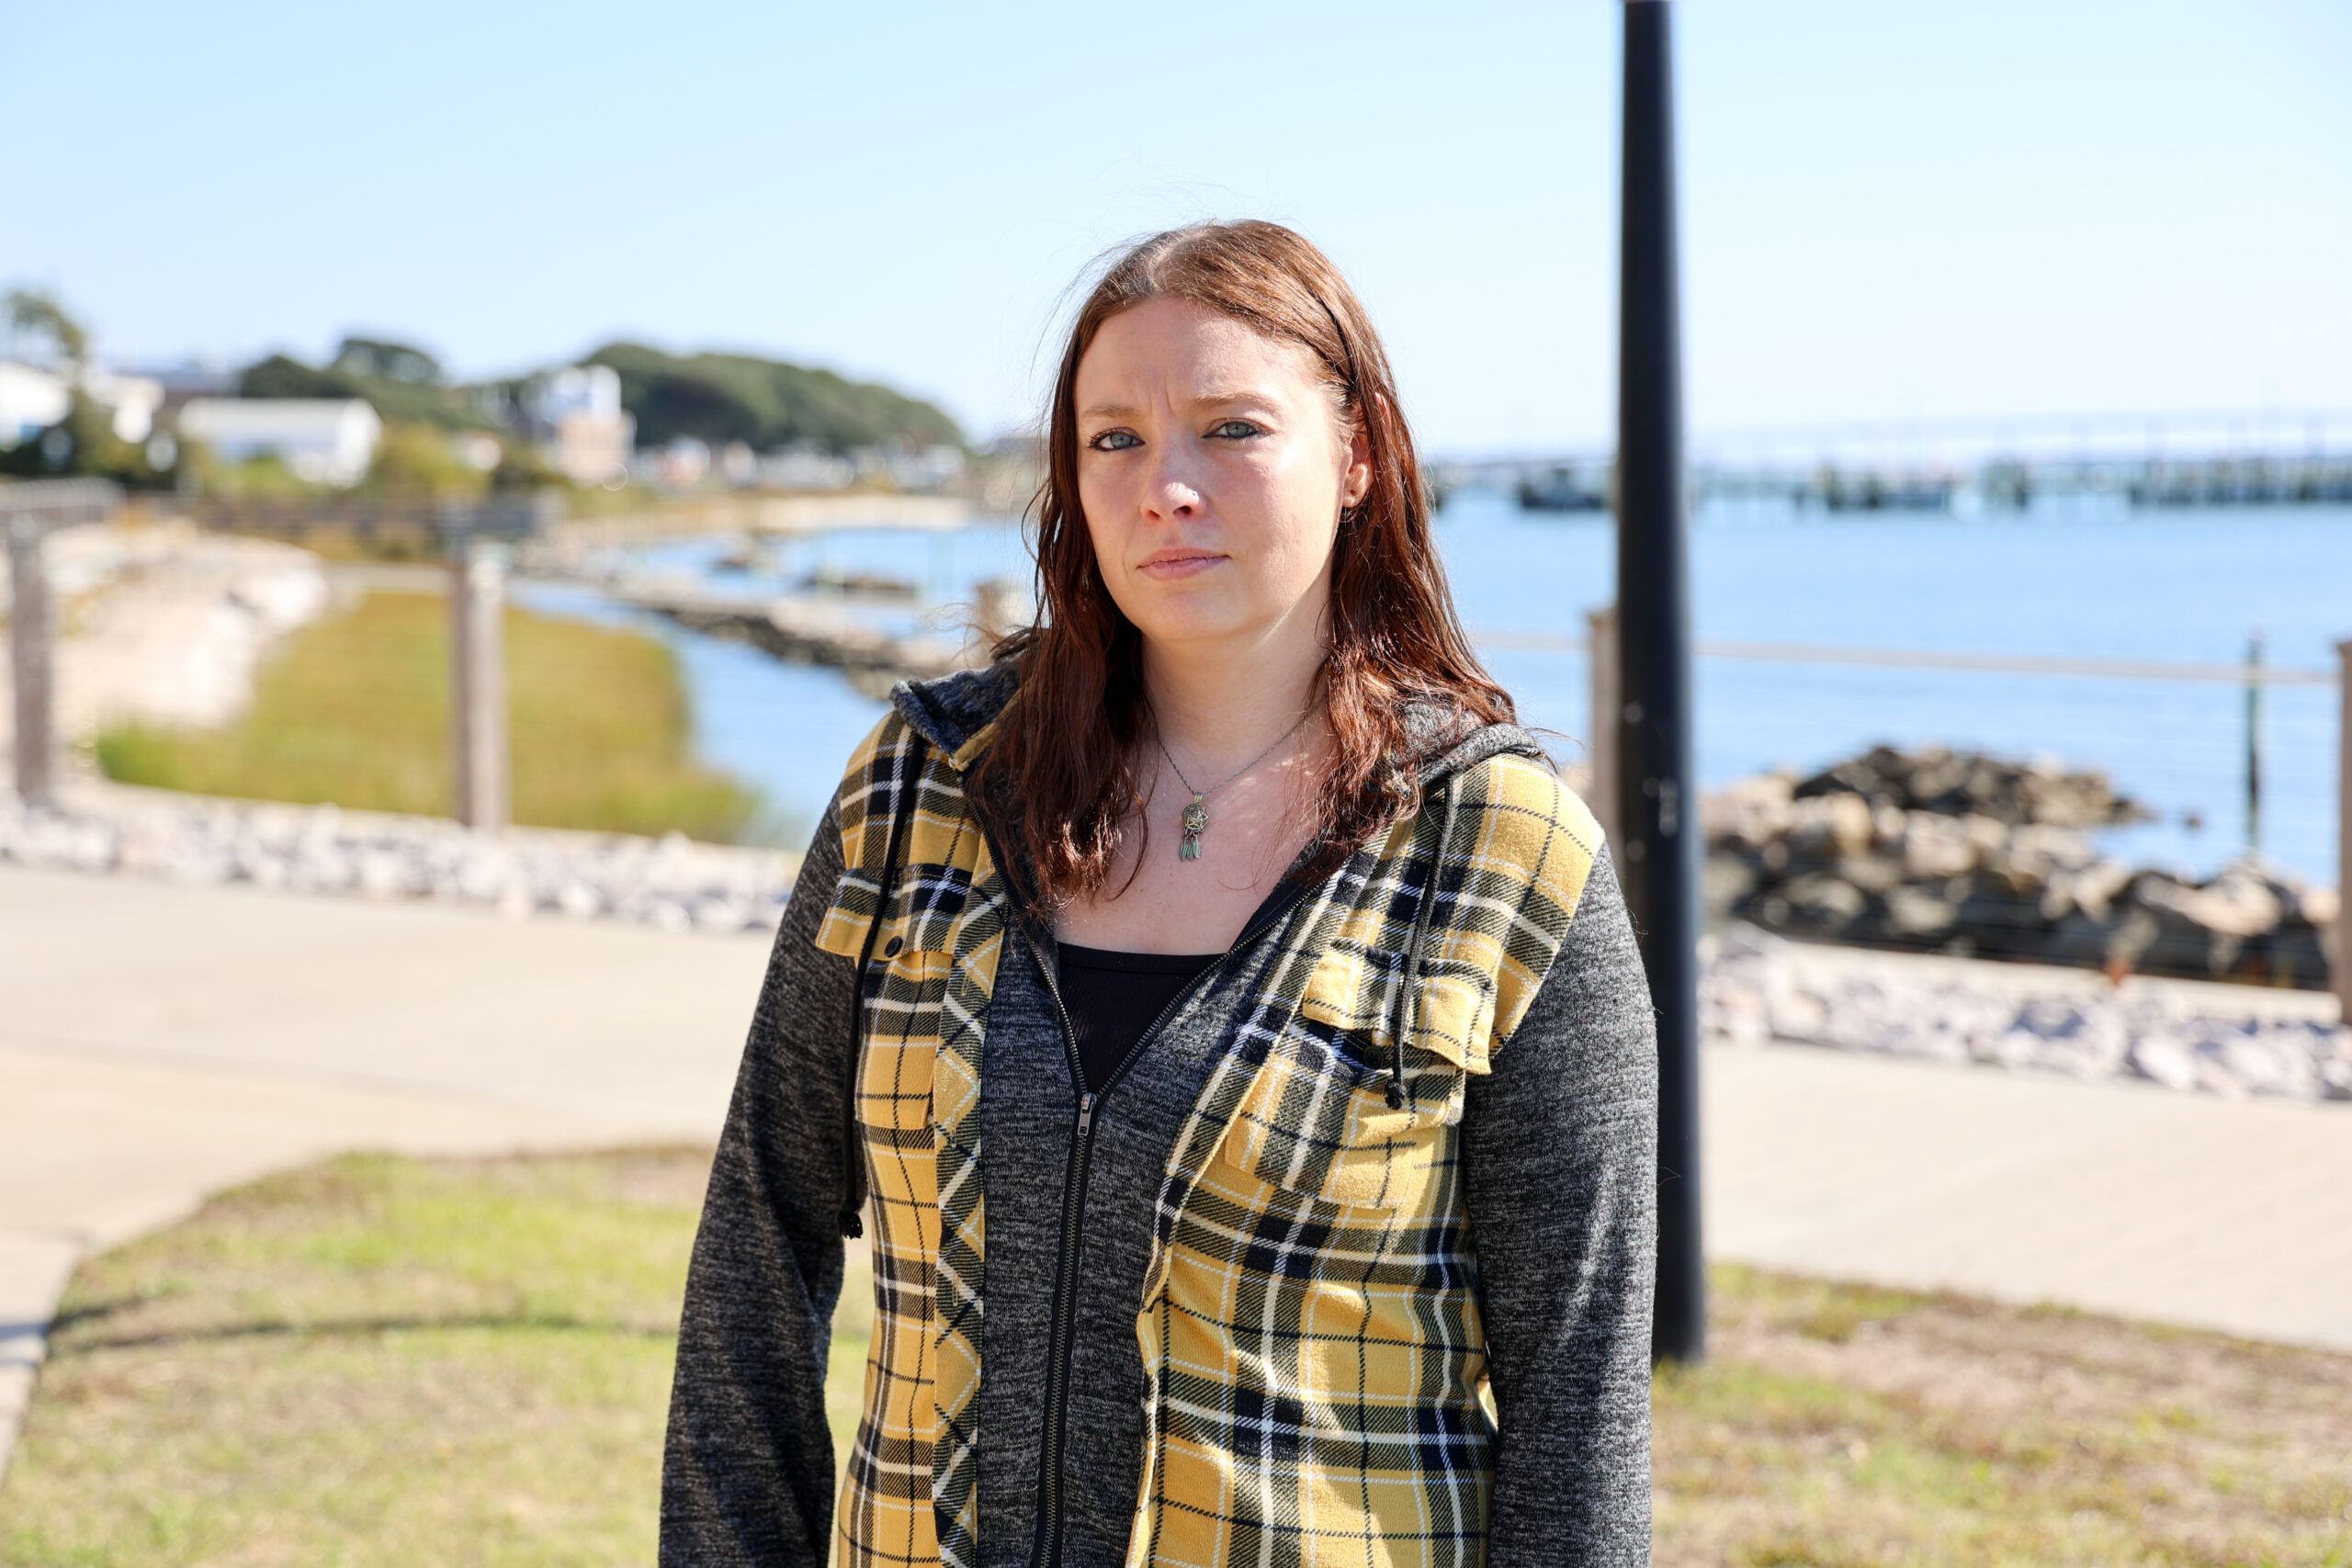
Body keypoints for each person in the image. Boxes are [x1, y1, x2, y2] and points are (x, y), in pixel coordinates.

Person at [662, 220, 1657, 1568]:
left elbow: (1579, 1408)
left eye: (1232, 429)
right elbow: (758, 1249)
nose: (1165, 489)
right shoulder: (924, 787)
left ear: (1359, 454)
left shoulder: (1504, 853)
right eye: (1114, 439)